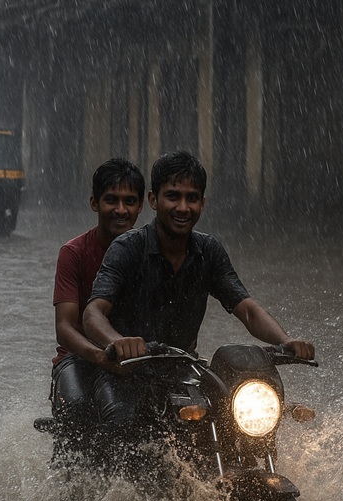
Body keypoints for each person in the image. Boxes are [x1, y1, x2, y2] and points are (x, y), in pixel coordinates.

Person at [82, 150, 314, 450]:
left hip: (183, 369)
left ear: (202, 203)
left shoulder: (209, 251)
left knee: (235, 424)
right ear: (153, 200)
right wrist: (117, 342)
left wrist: (286, 340)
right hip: (125, 373)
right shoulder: (127, 248)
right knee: (124, 424)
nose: (183, 207)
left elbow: (247, 309)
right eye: (173, 196)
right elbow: (93, 313)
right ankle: (110, 495)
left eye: (192, 198)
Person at [49, 158, 143, 461]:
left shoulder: (150, 253)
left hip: (135, 358)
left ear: (142, 205)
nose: (121, 210)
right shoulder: (74, 253)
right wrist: (100, 357)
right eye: (111, 200)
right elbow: (65, 328)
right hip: (80, 358)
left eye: (129, 201)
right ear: (94, 203)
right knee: (77, 408)